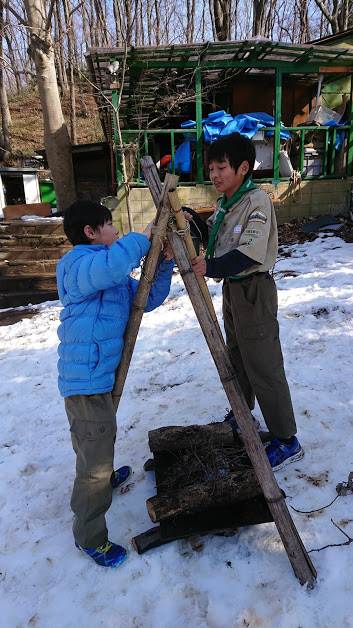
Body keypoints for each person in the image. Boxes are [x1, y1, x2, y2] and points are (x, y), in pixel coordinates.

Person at [56, 200, 173, 568]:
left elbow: (148, 297)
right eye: (110, 225)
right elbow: (113, 264)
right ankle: (90, 536)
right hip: (84, 382)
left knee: (97, 445)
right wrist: (145, 237)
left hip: (99, 376)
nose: (116, 230)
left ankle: (101, 482)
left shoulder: (112, 273)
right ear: (91, 232)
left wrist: (164, 261)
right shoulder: (77, 265)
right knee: (93, 461)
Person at [188, 132, 303, 471]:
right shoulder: (228, 203)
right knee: (238, 355)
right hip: (234, 290)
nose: (214, 175)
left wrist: (211, 267)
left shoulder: (256, 201)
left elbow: (246, 254)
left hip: (254, 289)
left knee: (263, 362)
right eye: (211, 168)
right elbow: (213, 237)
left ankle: (286, 438)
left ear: (242, 168)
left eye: (221, 167)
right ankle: (243, 413)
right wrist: (190, 219)